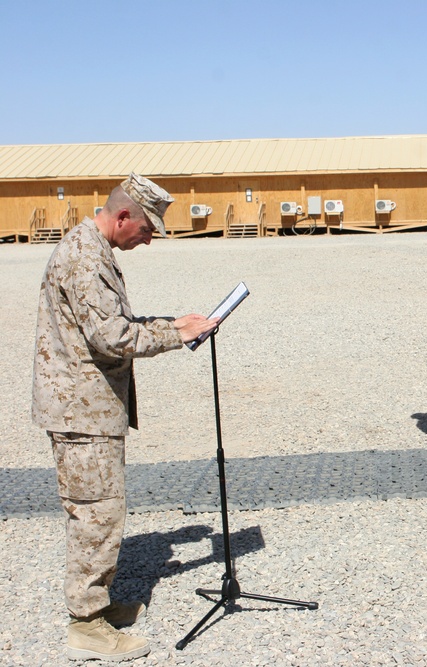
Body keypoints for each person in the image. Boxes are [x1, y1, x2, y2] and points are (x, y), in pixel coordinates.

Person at [33, 174, 219, 661]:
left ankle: (96, 604)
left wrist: (171, 323)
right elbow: (112, 337)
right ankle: (86, 625)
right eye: (147, 228)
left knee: (101, 509)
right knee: (97, 514)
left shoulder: (92, 247)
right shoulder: (86, 256)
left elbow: (109, 325)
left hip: (87, 407)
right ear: (121, 217)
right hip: (81, 411)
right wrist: (176, 337)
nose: (150, 238)